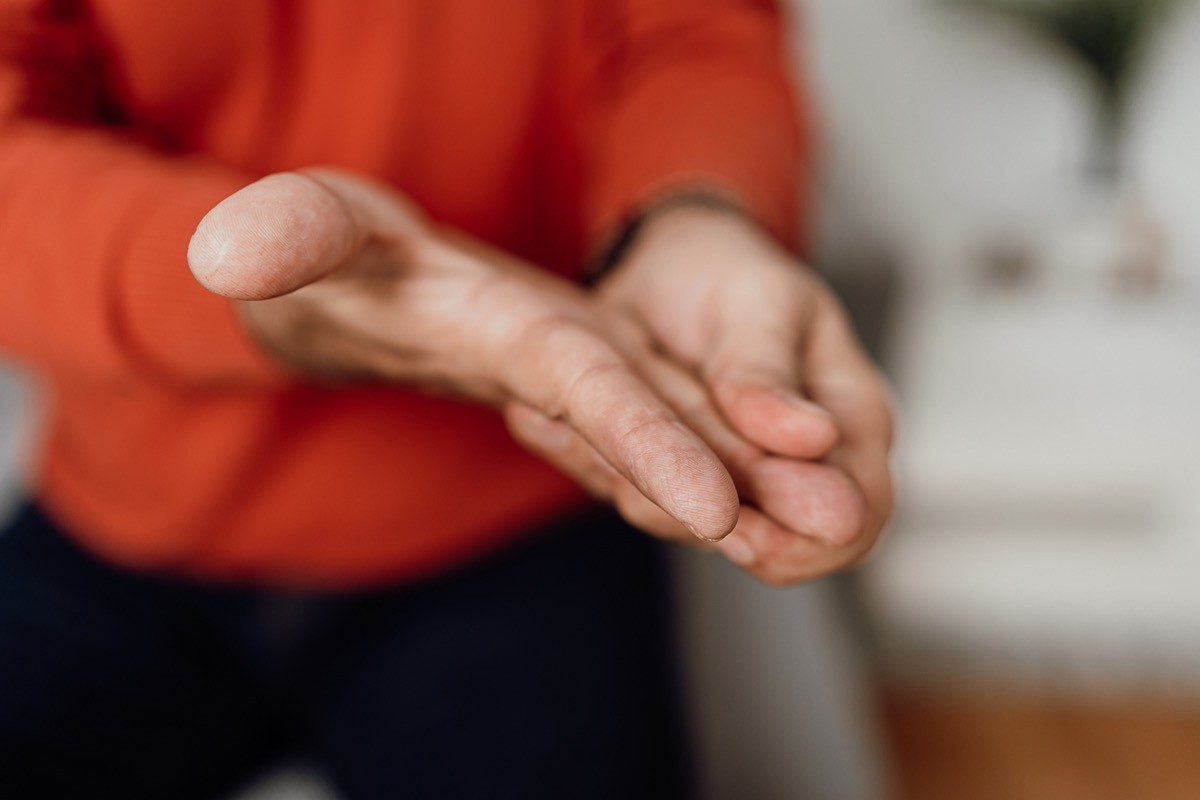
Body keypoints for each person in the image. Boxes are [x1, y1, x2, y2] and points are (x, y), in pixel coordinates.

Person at [0, 1, 893, 798]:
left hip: (518, 528)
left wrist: (694, 213)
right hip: (124, 527)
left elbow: (690, 32)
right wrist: (239, 294)